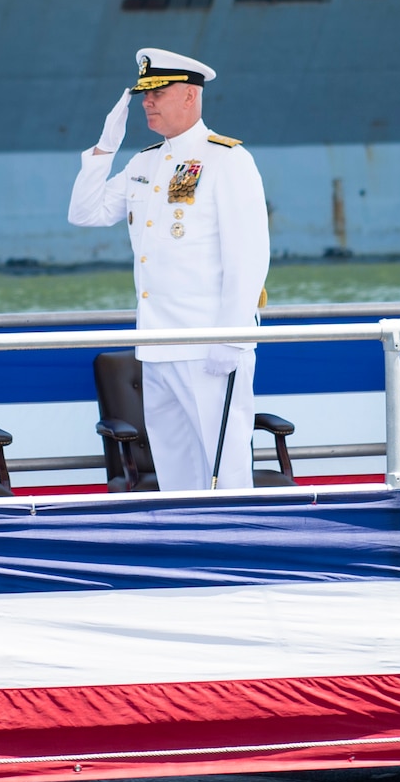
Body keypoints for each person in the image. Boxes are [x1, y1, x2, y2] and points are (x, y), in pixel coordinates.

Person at [68, 47, 269, 491]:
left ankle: (234, 551)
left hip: (208, 344)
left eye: (158, 91)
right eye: (144, 92)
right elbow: (84, 213)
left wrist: (232, 337)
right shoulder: (145, 162)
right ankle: (189, 550)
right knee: (176, 471)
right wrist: (105, 148)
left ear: (190, 97)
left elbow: (248, 255)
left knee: (225, 469)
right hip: (157, 343)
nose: (147, 102)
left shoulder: (227, 159)